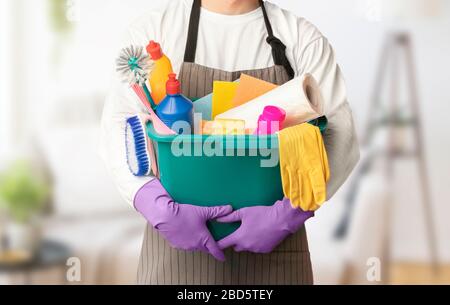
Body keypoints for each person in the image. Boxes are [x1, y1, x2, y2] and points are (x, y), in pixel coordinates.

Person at [100, 0, 360, 285]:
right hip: (174, 261)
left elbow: (340, 132)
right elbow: (121, 126)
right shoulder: (154, 30)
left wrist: (290, 213)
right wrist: (154, 204)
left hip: (277, 260)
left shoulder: (301, 38)